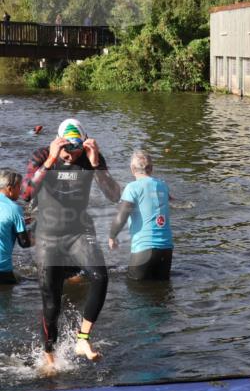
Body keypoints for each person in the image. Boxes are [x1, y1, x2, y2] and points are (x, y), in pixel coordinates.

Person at [21, 118, 120, 373]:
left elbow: (114, 195)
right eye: (66, 150)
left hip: (78, 231)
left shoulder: (89, 157)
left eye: (74, 152)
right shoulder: (43, 154)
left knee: (100, 276)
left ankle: (82, 340)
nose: (70, 156)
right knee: (52, 302)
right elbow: (26, 194)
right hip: (48, 234)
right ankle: (49, 354)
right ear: (58, 142)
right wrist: (50, 161)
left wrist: (97, 164)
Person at [109, 150, 173, 281]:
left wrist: (112, 236)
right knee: (162, 290)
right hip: (166, 249)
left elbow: (122, 216)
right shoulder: (162, 185)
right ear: (152, 168)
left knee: (135, 292)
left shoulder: (132, 188)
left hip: (144, 248)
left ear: (132, 169)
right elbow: (170, 200)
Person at [0, 169, 32, 284]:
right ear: (10, 189)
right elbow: (24, 243)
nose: (21, 191)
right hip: (2, 270)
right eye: (19, 187)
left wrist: (19, 223)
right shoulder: (14, 208)